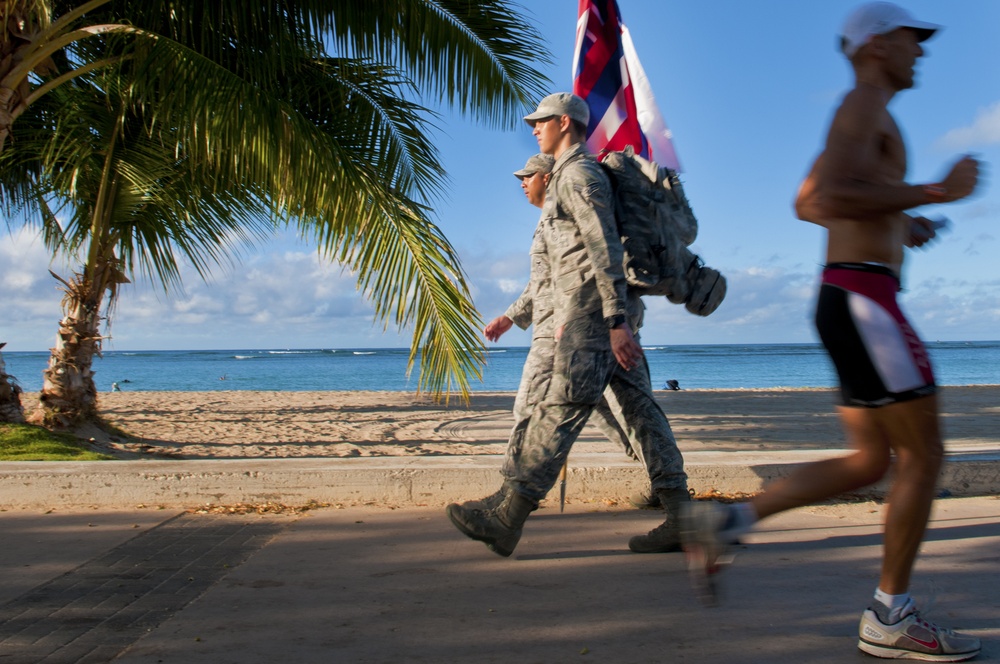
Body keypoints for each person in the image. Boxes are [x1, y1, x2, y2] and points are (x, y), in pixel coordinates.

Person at [680, 3, 984, 661]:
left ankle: (728, 520)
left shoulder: (863, 111)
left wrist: (897, 219)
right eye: (912, 40)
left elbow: (808, 199)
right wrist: (931, 192)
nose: (921, 53)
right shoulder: (862, 104)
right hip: (864, 298)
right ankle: (890, 616)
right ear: (877, 44)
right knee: (925, 456)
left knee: (873, 460)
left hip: (847, 295)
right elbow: (833, 197)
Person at [447, 92, 690, 557]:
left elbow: (603, 249)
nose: (534, 128)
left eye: (540, 122)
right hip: (604, 317)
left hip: (595, 320)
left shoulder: (577, 175)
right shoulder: (573, 177)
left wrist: (616, 320)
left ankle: (509, 516)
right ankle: (681, 512)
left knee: (557, 411)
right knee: (640, 412)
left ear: (563, 123)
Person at [478, 152, 689, 525]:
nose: (523, 183)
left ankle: (510, 499)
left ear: (547, 176)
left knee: (531, 410)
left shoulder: (569, 210)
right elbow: (545, 282)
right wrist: (511, 317)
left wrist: (576, 320)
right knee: (627, 416)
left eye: (528, 176)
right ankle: (670, 493)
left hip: (577, 331)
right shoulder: (551, 219)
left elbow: (596, 262)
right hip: (599, 327)